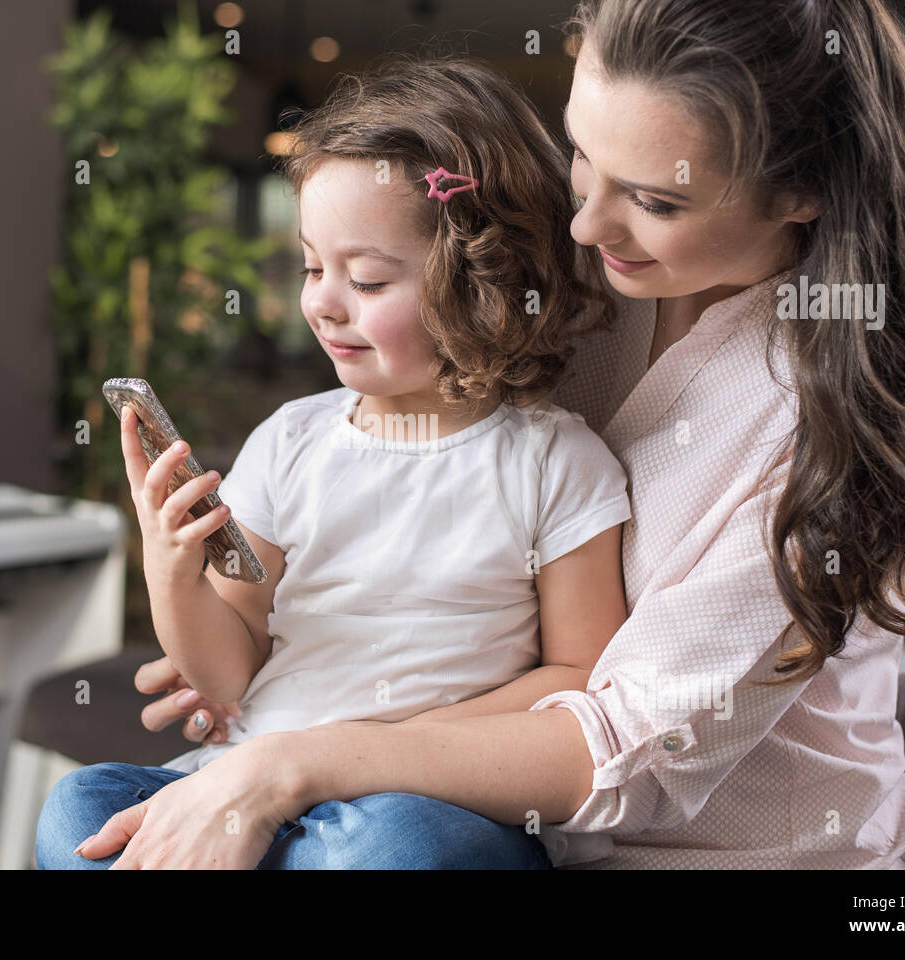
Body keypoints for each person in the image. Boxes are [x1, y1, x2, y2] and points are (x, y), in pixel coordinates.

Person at [44, 0, 905, 869]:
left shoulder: (832, 429)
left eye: (654, 200)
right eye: (582, 162)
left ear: (798, 193)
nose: (582, 228)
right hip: (489, 811)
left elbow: (624, 745)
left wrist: (298, 753)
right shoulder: (574, 297)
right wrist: (292, 653)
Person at [36, 54, 634, 869]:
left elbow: (580, 679)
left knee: (395, 850)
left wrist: (370, 746)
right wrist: (172, 573)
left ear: (485, 284)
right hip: (248, 789)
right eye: (315, 266)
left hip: (421, 802)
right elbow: (228, 666)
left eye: (367, 278)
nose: (320, 300)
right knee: (76, 807)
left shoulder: (557, 461)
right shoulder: (291, 439)